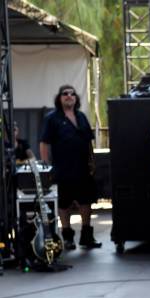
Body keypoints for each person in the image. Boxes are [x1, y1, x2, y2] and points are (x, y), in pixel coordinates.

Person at [40, 85, 101, 250]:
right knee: (64, 204)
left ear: (76, 98)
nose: (69, 96)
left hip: (82, 168)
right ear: (59, 98)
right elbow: (44, 143)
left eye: (72, 94)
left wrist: (92, 161)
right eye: (65, 94)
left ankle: (87, 236)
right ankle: (67, 237)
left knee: (86, 201)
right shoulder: (52, 118)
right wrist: (46, 167)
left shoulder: (81, 116)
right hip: (62, 169)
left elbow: (88, 141)